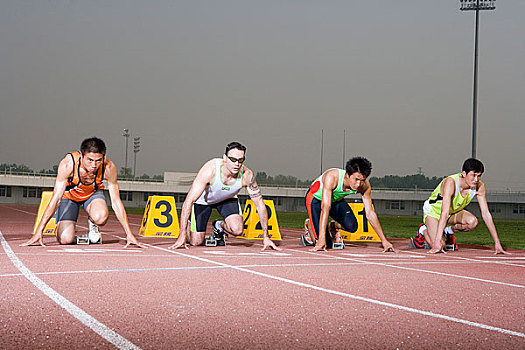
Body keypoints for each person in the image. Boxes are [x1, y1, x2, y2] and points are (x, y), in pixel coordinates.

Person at [21, 137, 144, 248]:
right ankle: (66, 229)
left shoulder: (108, 167)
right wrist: (39, 231)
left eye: (98, 160)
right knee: (65, 240)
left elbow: (116, 201)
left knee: (101, 217)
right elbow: (56, 199)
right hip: (69, 197)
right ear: (81, 155)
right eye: (90, 160)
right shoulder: (68, 164)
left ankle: (93, 223)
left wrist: (129, 234)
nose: (94, 165)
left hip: (92, 195)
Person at [169, 141, 280, 251]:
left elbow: (260, 205)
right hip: (203, 201)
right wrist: (182, 234)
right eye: (233, 159)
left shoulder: (247, 175)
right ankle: (189, 226)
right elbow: (189, 201)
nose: (237, 164)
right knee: (196, 242)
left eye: (240, 160)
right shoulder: (210, 169)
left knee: (237, 230)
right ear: (225, 158)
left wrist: (266, 236)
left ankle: (218, 225)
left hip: (226, 199)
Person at [410, 158, 509, 254]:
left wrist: (497, 243)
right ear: (464, 173)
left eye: (479, 176)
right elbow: (444, 212)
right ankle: (423, 231)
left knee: (472, 222)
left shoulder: (479, 186)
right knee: (440, 245)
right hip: (434, 212)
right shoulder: (451, 183)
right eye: (473, 175)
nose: (476, 179)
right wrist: (436, 241)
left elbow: (486, 214)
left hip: (451, 213)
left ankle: (448, 231)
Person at [306, 157, 396, 252]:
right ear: (347, 175)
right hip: (315, 199)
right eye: (356, 179)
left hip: (335, 200)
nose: (358, 184)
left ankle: (333, 226)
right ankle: (309, 224)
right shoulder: (332, 177)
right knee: (325, 244)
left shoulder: (364, 186)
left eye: (362, 180)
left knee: (352, 226)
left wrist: (384, 240)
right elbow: (325, 208)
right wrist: (321, 239)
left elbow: (370, 213)